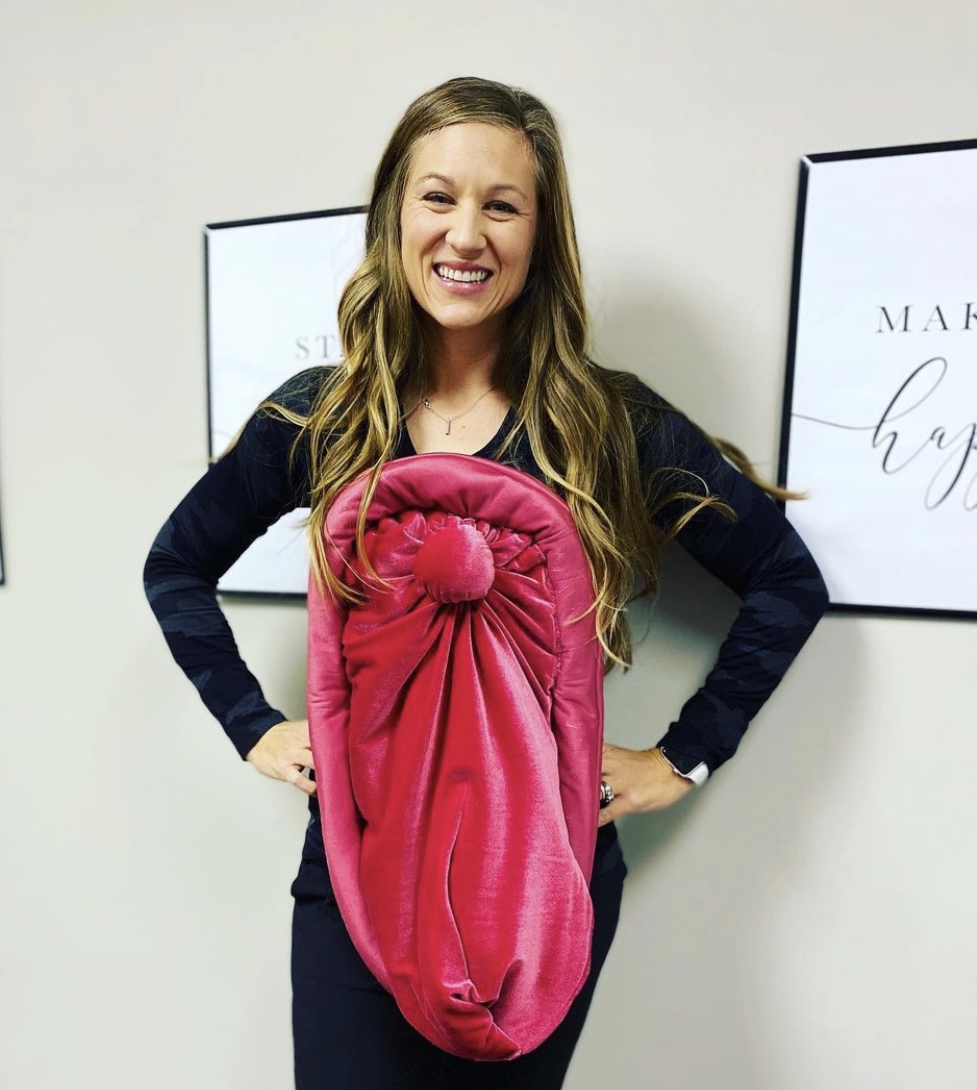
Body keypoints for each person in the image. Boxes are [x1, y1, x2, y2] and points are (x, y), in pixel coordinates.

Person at [143, 76, 828, 1089]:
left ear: (540, 236)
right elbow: (176, 566)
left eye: (501, 205)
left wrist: (683, 758)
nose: (465, 233)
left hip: (541, 886)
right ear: (396, 212)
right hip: (357, 873)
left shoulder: (606, 422)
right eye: (439, 196)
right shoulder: (321, 416)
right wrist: (253, 725)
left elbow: (784, 578)